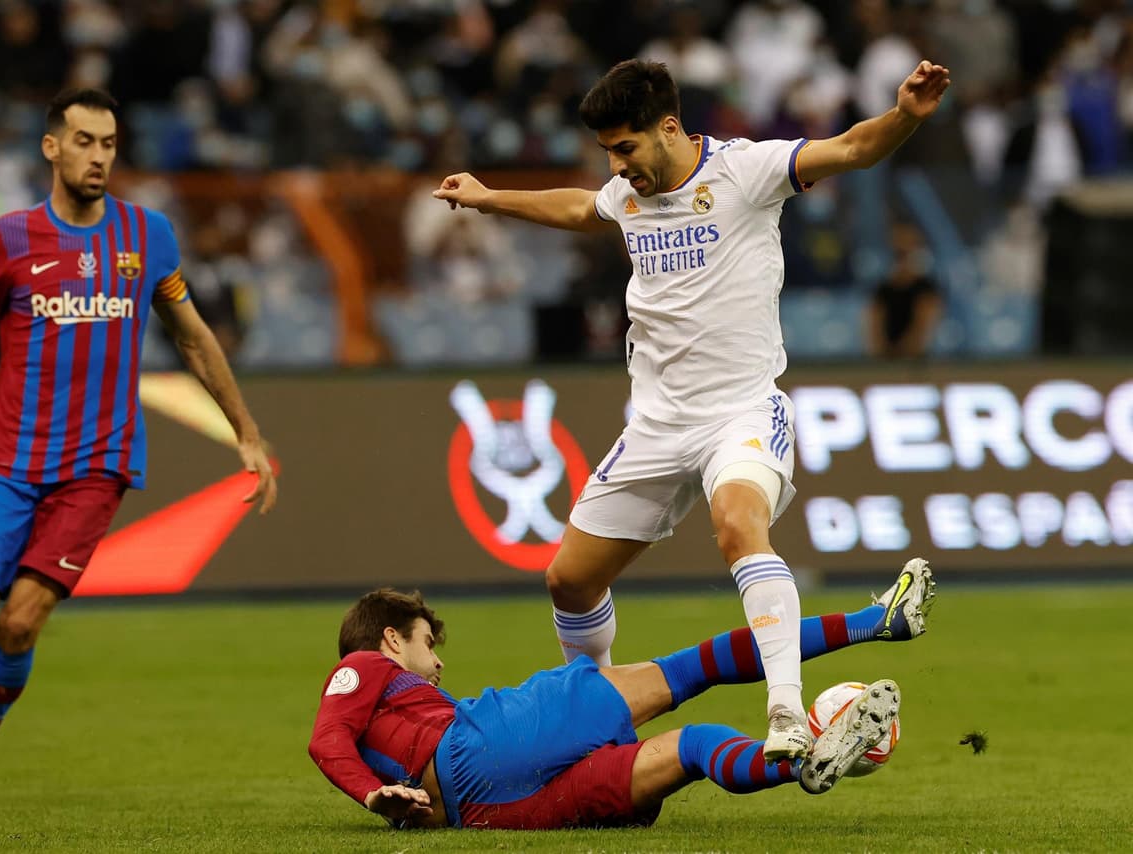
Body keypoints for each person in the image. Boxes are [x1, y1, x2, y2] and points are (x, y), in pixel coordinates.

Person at [433, 58, 952, 761]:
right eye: (608, 152)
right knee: (569, 579)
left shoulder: (747, 171)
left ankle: (787, 712)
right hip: (656, 423)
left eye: (625, 148)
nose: (617, 166)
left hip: (740, 412)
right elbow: (582, 208)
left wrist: (904, 117)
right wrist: (491, 197)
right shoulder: (627, 192)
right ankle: (593, 714)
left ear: (668, 128)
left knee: (739, 526)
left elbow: (853, 149)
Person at [0, 88, 278, 809]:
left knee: (19, 621)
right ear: (51, 147)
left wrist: (246, 432)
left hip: (97, 470)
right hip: (12, 463)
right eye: (84, 141)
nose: (99, 157)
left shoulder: (147, 236)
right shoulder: (9, 240)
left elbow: (193, 336)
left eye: (109, 143)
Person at [310, 559, 934, 830]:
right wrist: (370, 795)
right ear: (391, 640)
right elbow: (324, 737)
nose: (437, 659)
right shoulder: (363, 665)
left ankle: (808, 761)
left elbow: (349, 754)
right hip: (485, 744)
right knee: (694, 667)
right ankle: (876, 622)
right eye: (425, 643)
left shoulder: (385, 741)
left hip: (489, 812)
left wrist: (378, 795)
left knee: (693, 748)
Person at [865, 221, 942, 359]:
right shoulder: (882, 289)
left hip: (916, 364)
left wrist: (904, 352)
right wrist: (885, 354)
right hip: (885, 361)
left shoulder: (926, 288)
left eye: (906, 248)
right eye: (898, 251)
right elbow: (873, 331)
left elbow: (924, 330)